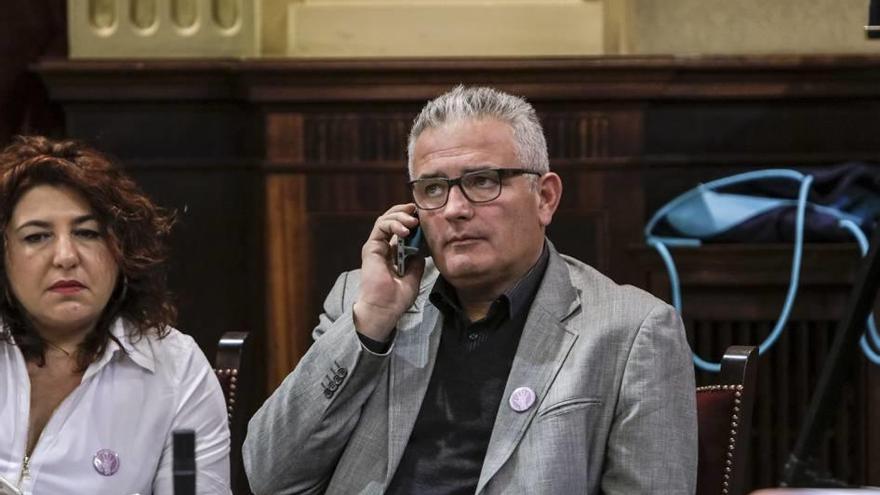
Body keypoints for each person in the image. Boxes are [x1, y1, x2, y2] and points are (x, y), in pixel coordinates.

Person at [243, 86, 697, 494]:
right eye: (434, 188)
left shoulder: (630, 330)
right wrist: (371, 324)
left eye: (483, 181)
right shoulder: (364, 302)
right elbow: (268, 476)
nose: (456, 209)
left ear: (545, 198)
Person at [0, 136, 231, 494]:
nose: (65, 256)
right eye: (37, 236)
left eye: (87, 233)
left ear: (120, 248)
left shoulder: (177, 372)